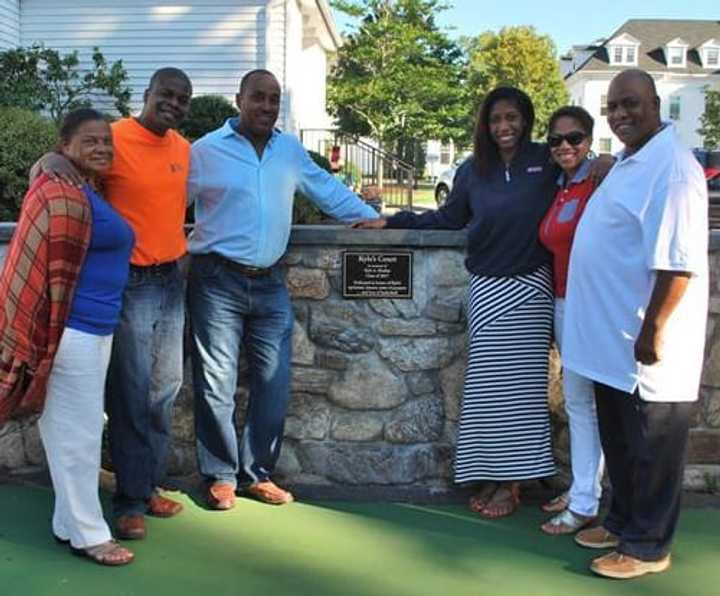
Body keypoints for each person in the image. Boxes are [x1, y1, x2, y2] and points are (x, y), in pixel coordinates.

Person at [356, 87, 570, 518]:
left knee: (520, 392)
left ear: (525, 119)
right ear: (485, 126)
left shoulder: (545, 162)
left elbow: (581, 174)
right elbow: (449, 218)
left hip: (531, 288)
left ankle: (510, 482)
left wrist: (605, 163)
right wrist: (393, 220)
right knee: (487, 390)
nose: (504, 127)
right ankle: (491, 472)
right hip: (487, 289)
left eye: (511, 118)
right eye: (495, 120)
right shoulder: (474, 170)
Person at [187, 69, 379, 510]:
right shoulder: (205, 152)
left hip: (270, 281)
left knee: (274, 381)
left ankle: (257, 473)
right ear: (239, 99)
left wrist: (378, 218)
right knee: (216, 381)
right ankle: (219, 476)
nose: (267, 107)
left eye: (274, 99)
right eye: (259, 97)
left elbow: (328, 191)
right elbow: (166, 197)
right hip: (216, 279)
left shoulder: (288, 151)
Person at [34, 68, 193, 540]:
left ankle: (144, 487)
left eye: (183, 98)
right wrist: (47, 158)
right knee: (130, 394)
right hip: (133, 284)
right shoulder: (116, 137)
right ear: (147, 95)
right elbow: (64, 163)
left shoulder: (184, 148)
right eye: (166, 95)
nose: (175, 104)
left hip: (172, 281)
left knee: (164, 390)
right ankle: (126, 500)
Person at [563, 69, 708, 579]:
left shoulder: (670, 169)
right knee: (622, 445)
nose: (620, 114)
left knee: (652, 449)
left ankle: (647, 547)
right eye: (612, 107)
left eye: (630, 104)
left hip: (647, 346)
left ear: (655, 103)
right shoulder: (630, 162)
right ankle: (622, 521)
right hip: (612, 343)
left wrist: (654, 333)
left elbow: (677, 263)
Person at [0, 109, 135, 565]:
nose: (101, 148)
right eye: (90, 141)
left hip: (95, 330)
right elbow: (37, 263)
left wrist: (48, 160)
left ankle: (66, 523)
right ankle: (90, 535)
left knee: (70, 429)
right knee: (75, 435)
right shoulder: (59, 189)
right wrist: (46, 162)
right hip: (71, 331)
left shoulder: (83, 186)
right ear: (65, 145)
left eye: (106, 142)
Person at [538, 106, 604, 535]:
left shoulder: (600, 180)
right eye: (556, 139)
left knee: (586, 404)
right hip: (564, 303)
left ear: (590, 140)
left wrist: (607, 163)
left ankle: (585, 502)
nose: (565, 146)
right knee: (581, 404)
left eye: (575, 138)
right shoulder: (560, 186)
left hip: (591, 306)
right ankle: (585, 489)